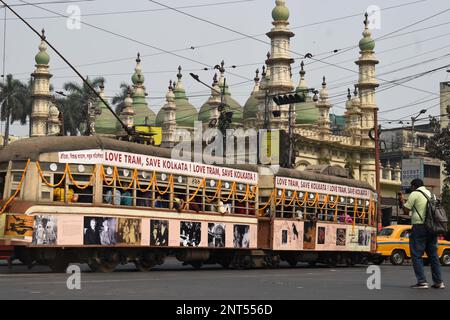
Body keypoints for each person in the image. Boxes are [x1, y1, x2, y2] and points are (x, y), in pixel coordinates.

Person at [402, 179, 444, 289]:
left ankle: (422, 281)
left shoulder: (415, 193)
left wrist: (402, 201)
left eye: (411, 186)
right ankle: (439, 282)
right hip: (432, 227)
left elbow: (406, 210)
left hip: (419, 226)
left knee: (416, 254)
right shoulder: (432, 195)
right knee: (433, 255)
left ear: (414, 186)